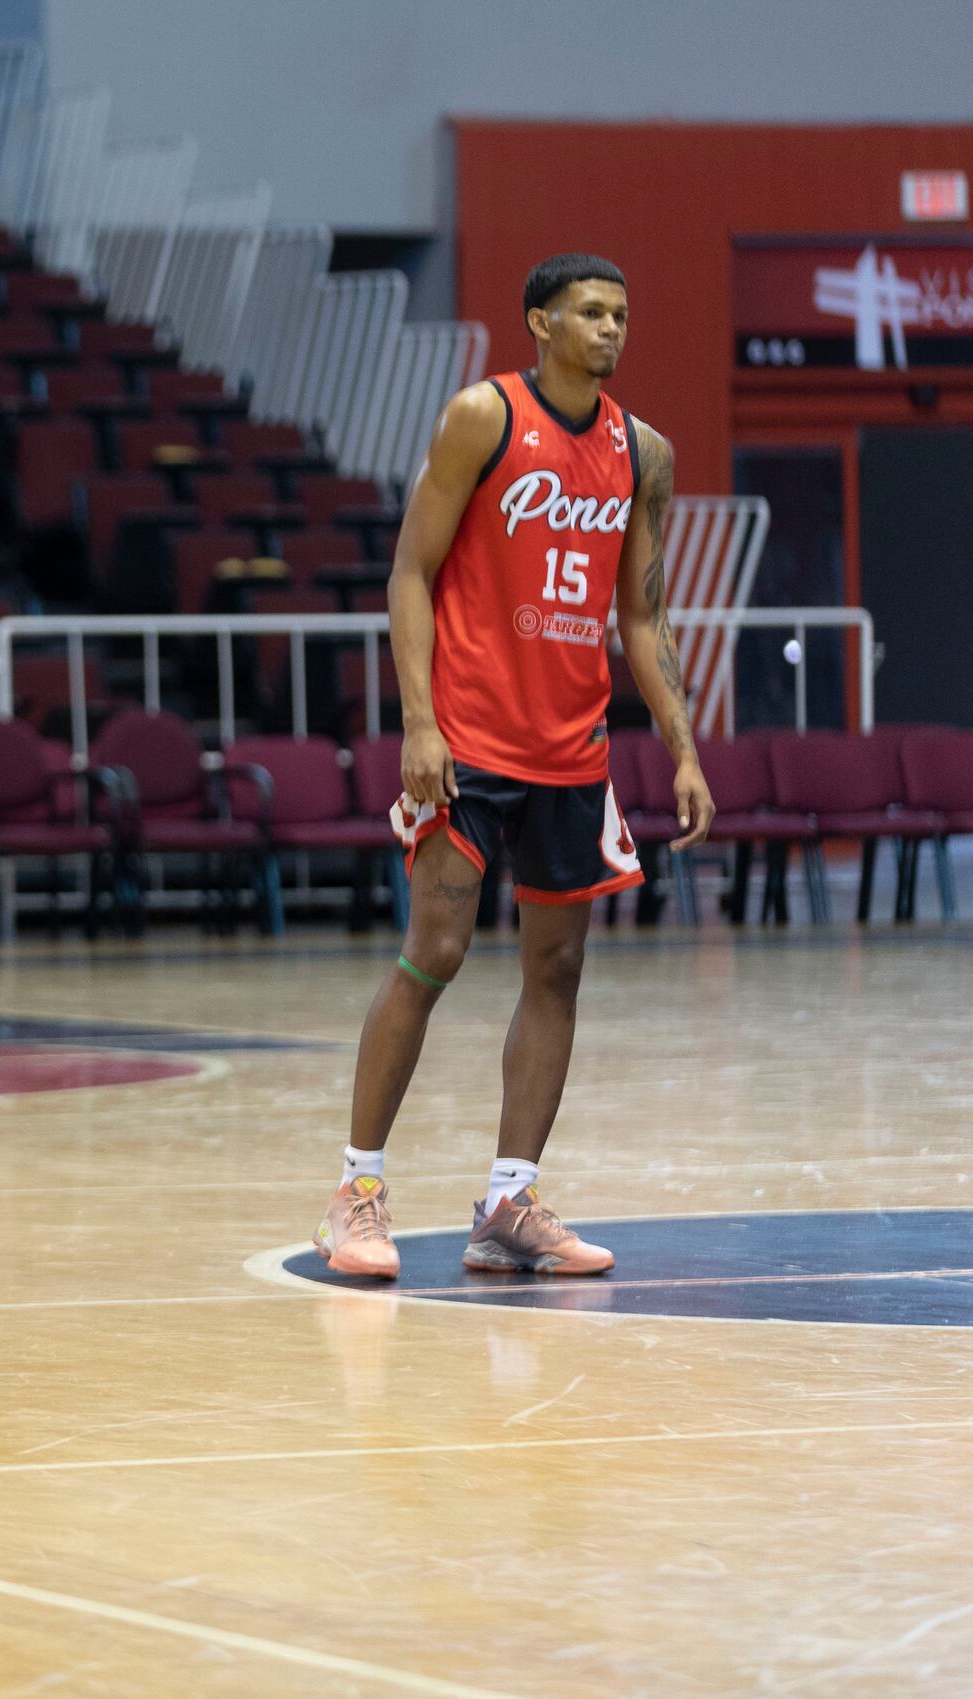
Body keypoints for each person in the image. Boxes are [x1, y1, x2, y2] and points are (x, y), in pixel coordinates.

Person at [315, 252, 713, 1280]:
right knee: (435, 951)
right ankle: (356, 1192)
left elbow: (642, 614)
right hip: (468, 741)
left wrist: (679, 747)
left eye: (621, 314)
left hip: (570, 753)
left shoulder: (645, 454)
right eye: (589, 311)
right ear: (539, 321)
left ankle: (508, 1201)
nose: (610, 329)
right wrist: (417, 723)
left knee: (559, 968)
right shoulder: (481, 418)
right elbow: (410, 569)